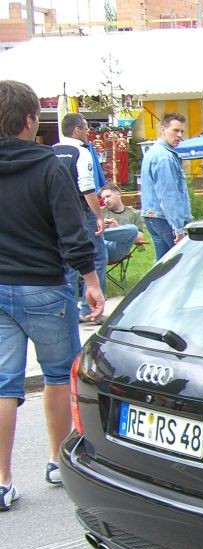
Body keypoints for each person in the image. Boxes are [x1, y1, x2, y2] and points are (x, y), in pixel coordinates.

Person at [0, 80, 104, 508]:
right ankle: (57, 461)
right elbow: (71, 230)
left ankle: (2, 479)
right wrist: (91, 280)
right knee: (59, 375)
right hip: (44, 285)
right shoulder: (49, 166)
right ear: (30, 120)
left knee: (4, 384)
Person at [53, 112, 107, 321]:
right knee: (97, 256)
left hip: (57, 214)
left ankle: (68, 310)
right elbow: (87, 187)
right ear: (76, 130)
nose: (87, 133)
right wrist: (99, 215)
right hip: (81, 210)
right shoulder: (81, 152)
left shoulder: (51, 151)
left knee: (67, 261)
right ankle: (90, 308)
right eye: (85, 128)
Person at [140, 112, 191, 260]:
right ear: (163, 130)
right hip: (164, 219)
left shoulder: (153, 152)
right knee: (180, 262)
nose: (179, 135)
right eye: (175, 130)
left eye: (181, 131)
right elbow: (169, 195)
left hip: (152, 216)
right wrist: (178, 228)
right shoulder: (164, 157)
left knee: (163, 264)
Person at [99, 183, 146, 264]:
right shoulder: (100, 212)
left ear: (118, 194)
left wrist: (117, 228)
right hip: (99, 246)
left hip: (117, 249)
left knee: (132, 229)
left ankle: (98, 234)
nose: (106, 200)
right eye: (103, 198)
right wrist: (101, 224)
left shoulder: (134, 213)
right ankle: (98, 235)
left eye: (108, 196)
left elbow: (139, 239)